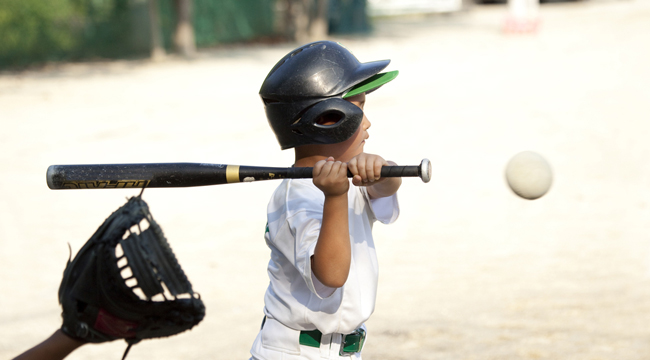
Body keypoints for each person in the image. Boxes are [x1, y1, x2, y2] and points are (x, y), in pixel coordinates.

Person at [250, 40, 401, 360]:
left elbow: (385, 193)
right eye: (358, 109)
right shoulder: (297, 198)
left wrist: (384, 174)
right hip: (293, 353)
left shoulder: (346, 176)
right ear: (327, 119)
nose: (368, 123)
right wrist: (335, 197)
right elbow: (331, 276)